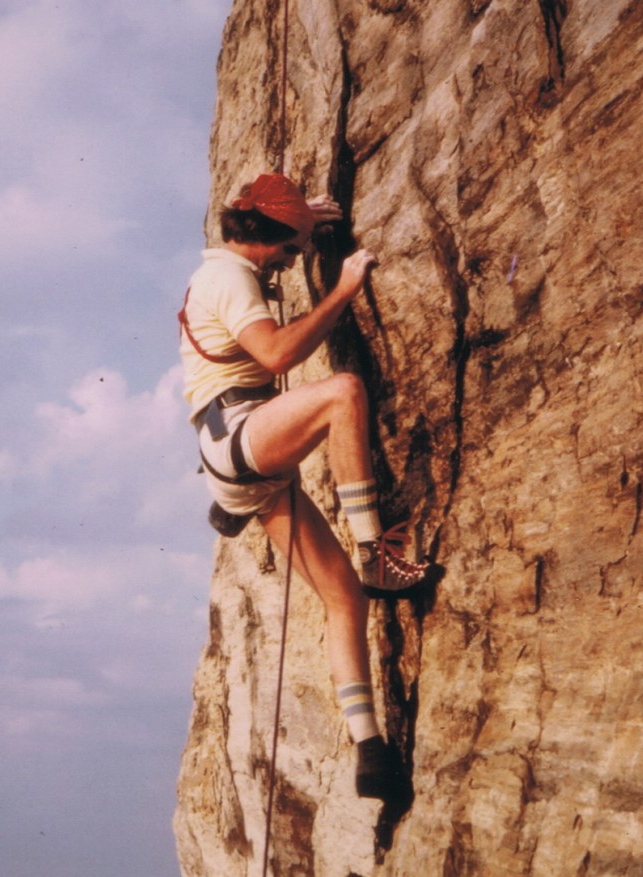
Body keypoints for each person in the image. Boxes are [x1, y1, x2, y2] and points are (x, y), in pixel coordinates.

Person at [178, 172, 431, 801]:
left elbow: (255, 203)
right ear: (264, 240)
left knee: (343, 597)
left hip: (237, 458)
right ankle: (375, 550)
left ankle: (369, 751)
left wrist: (302, 215)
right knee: (342, 394)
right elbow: (276, 357)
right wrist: (344, 288)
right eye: (290, 251)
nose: (293, 263)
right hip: (243, 435)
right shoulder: (230, 279)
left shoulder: (232, 264)